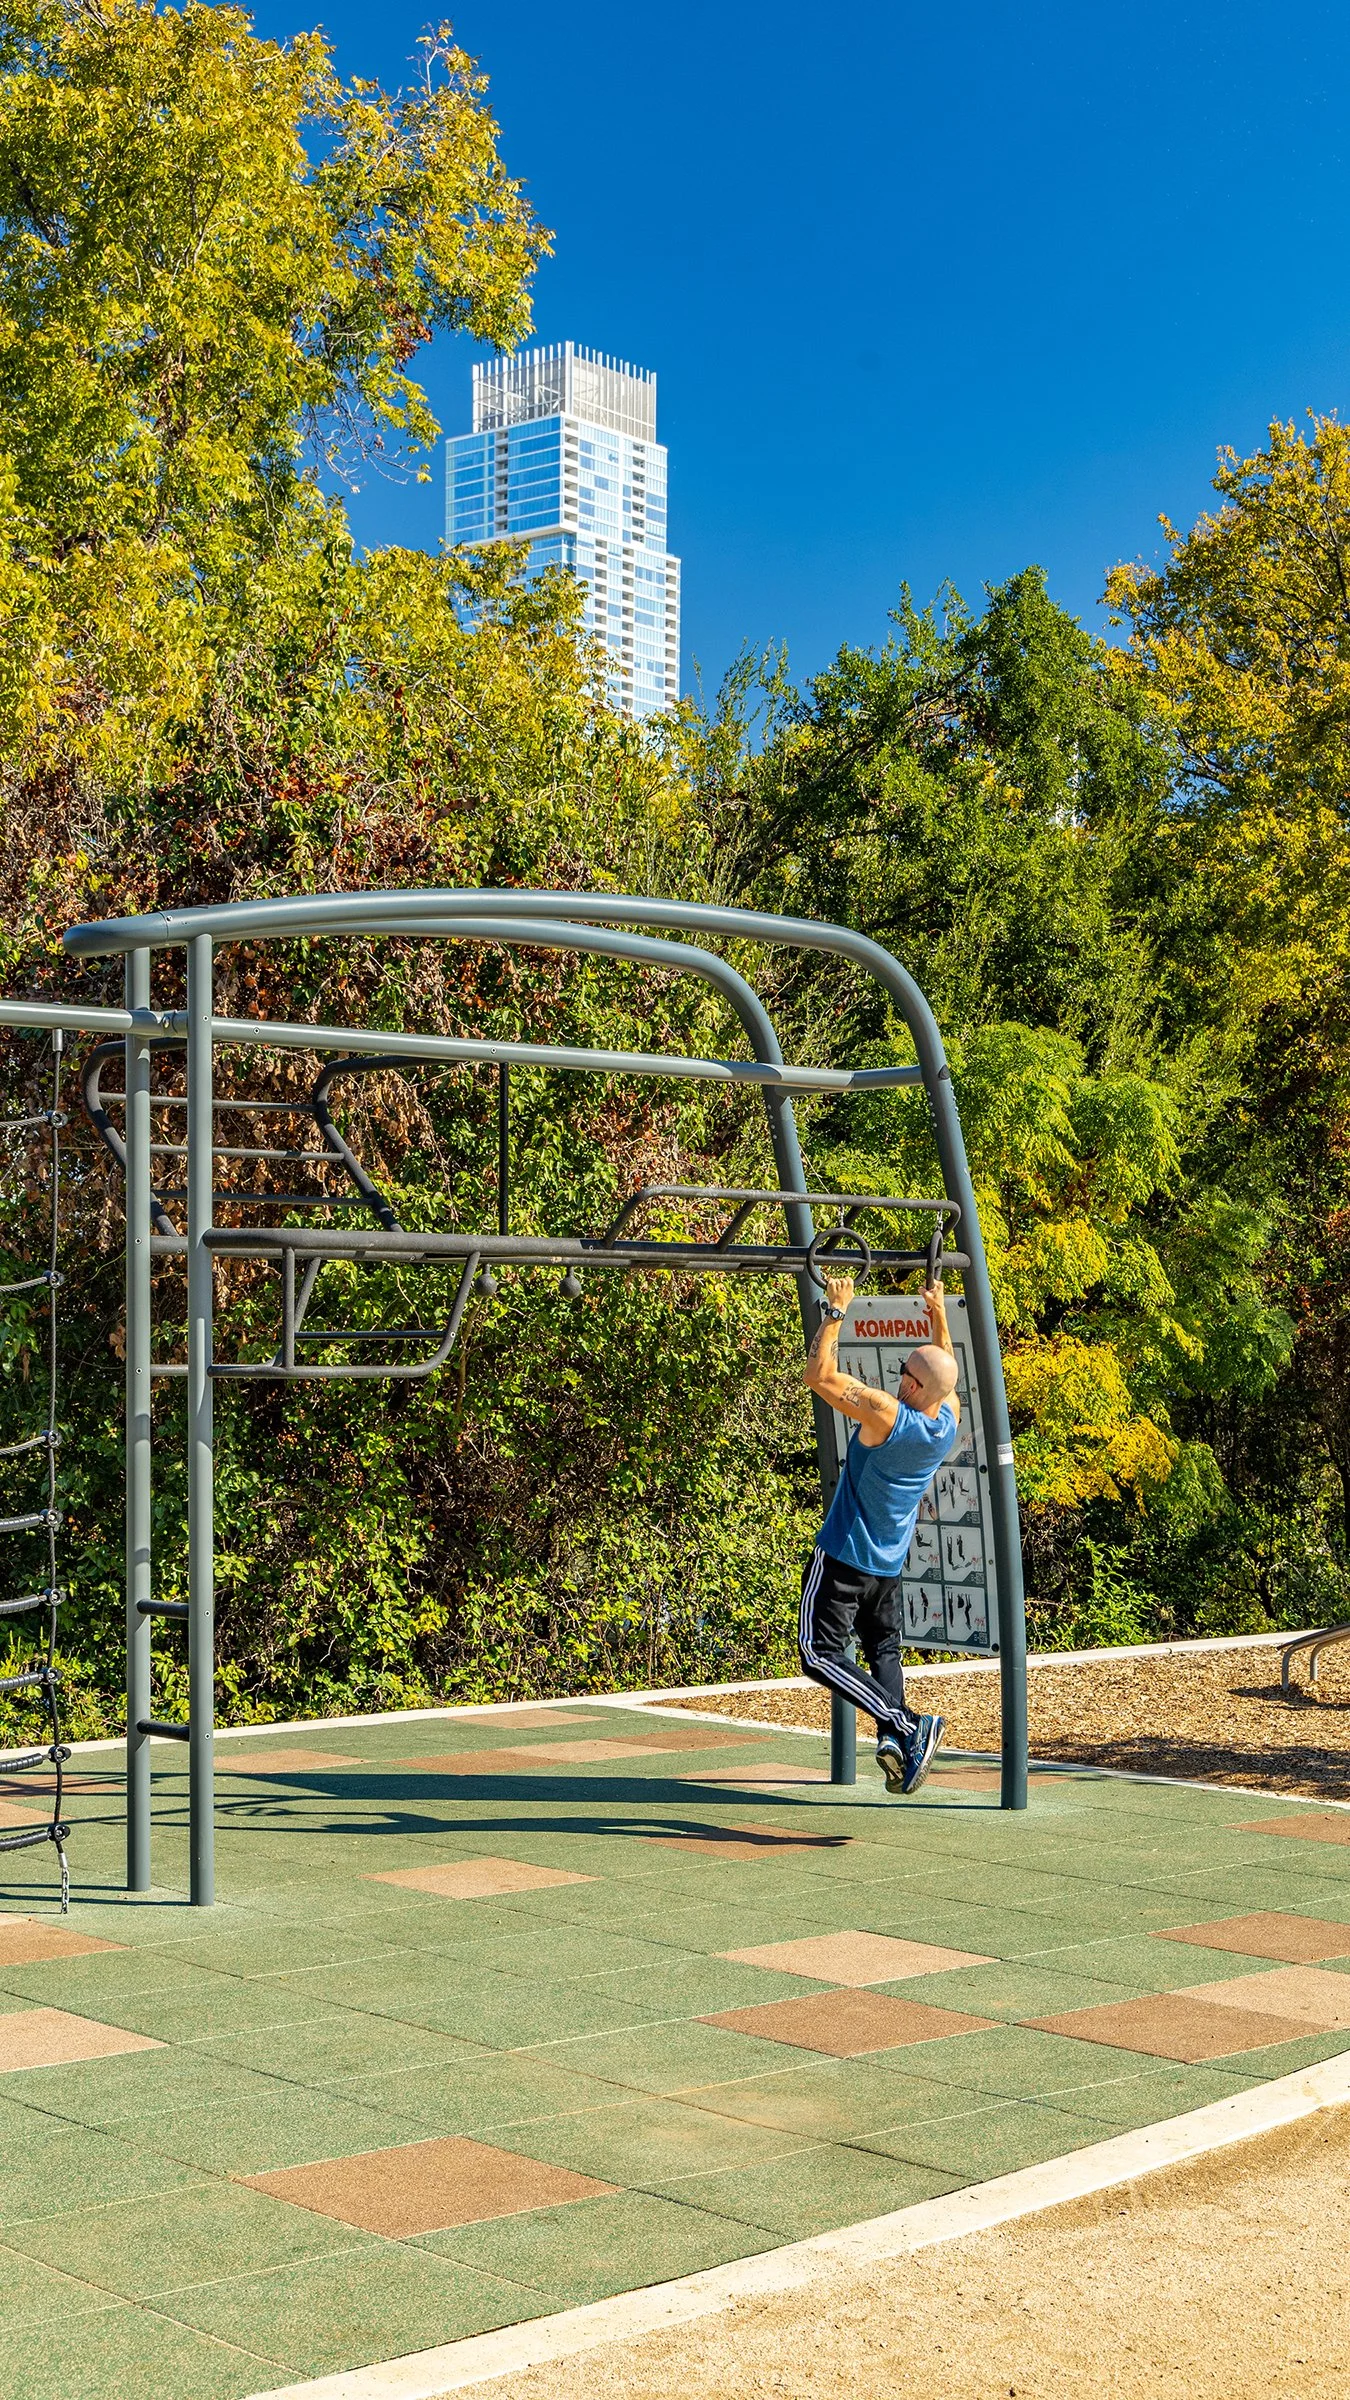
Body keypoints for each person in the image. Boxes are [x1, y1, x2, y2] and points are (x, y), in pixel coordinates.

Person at [800, 1272, 961, 1794]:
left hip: (845, 1556)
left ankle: (907, 1724)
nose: (899, 1378)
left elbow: (821, 1376)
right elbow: (944, 1371)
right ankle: (897, 1737)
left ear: (912, 1387)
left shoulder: (889, 1417)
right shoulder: (947, 1422)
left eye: (904, 1372)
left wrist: (836, 1311)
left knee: (816, 1654)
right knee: (883, 1652)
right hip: (886, 1566)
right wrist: (938, 1317)